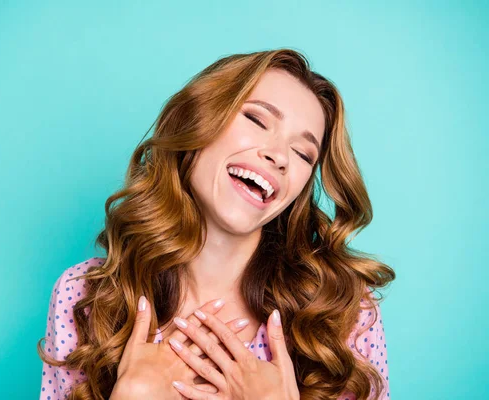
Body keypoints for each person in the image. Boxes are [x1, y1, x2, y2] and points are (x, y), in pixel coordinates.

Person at [37, 48, 396, 400]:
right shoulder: (86, 299)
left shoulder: (344, 314)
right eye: (257, 120)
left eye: (303, 154)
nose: (280, 156)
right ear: (197, 122)